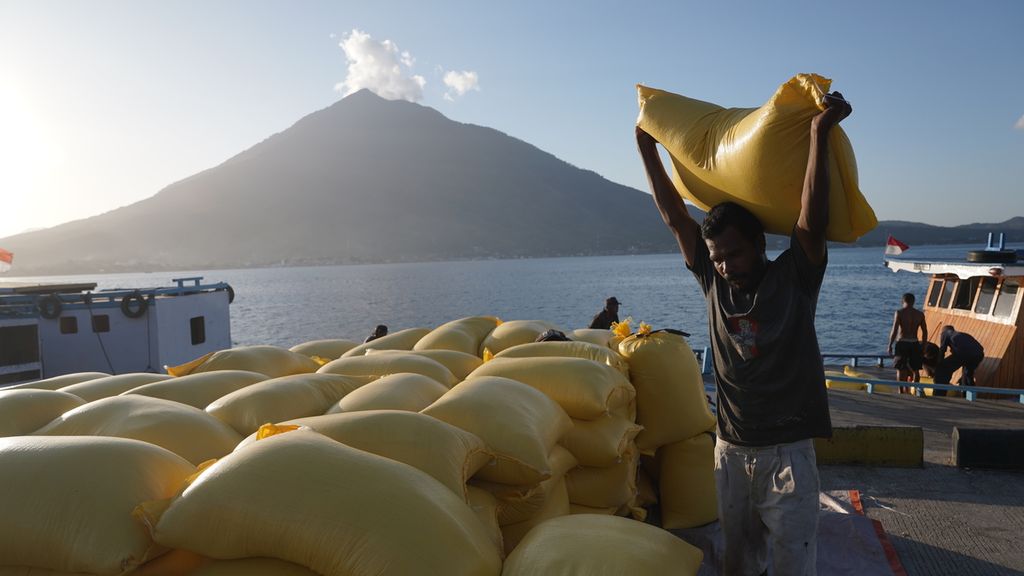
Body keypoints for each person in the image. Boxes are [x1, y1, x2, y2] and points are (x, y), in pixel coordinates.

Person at [637, 91, 852, 576]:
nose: (724, 265)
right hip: (730, 452)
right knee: (737, 563)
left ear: (759, 245)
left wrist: (820, 132)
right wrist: (648, 149)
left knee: (792, 565)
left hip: (788, 455)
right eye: (715, 257)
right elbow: (675, 216)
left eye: (732, 254)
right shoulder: (713, 282)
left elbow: (812, 219)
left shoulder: (794, 279)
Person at [887, 292, 928, 392]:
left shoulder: (899, 312)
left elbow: (895, 329)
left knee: (901, 369)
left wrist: (890, 345)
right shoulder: (920, 314)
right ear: (913, 302)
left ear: (903, 301)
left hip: (902, 342)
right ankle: (916, 391)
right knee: (916, 369)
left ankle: (901, 391)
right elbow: (925, 332)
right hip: (914, 343)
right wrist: (923, 345)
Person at [935, 325, 985, 393]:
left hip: (964, 354)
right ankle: (969, 397)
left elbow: (942, 350)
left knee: (942, 370)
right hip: (979, 354)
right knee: (967, 375)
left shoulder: (946, 333)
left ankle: (939, 394)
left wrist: (939, 364)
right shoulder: (963, 335)